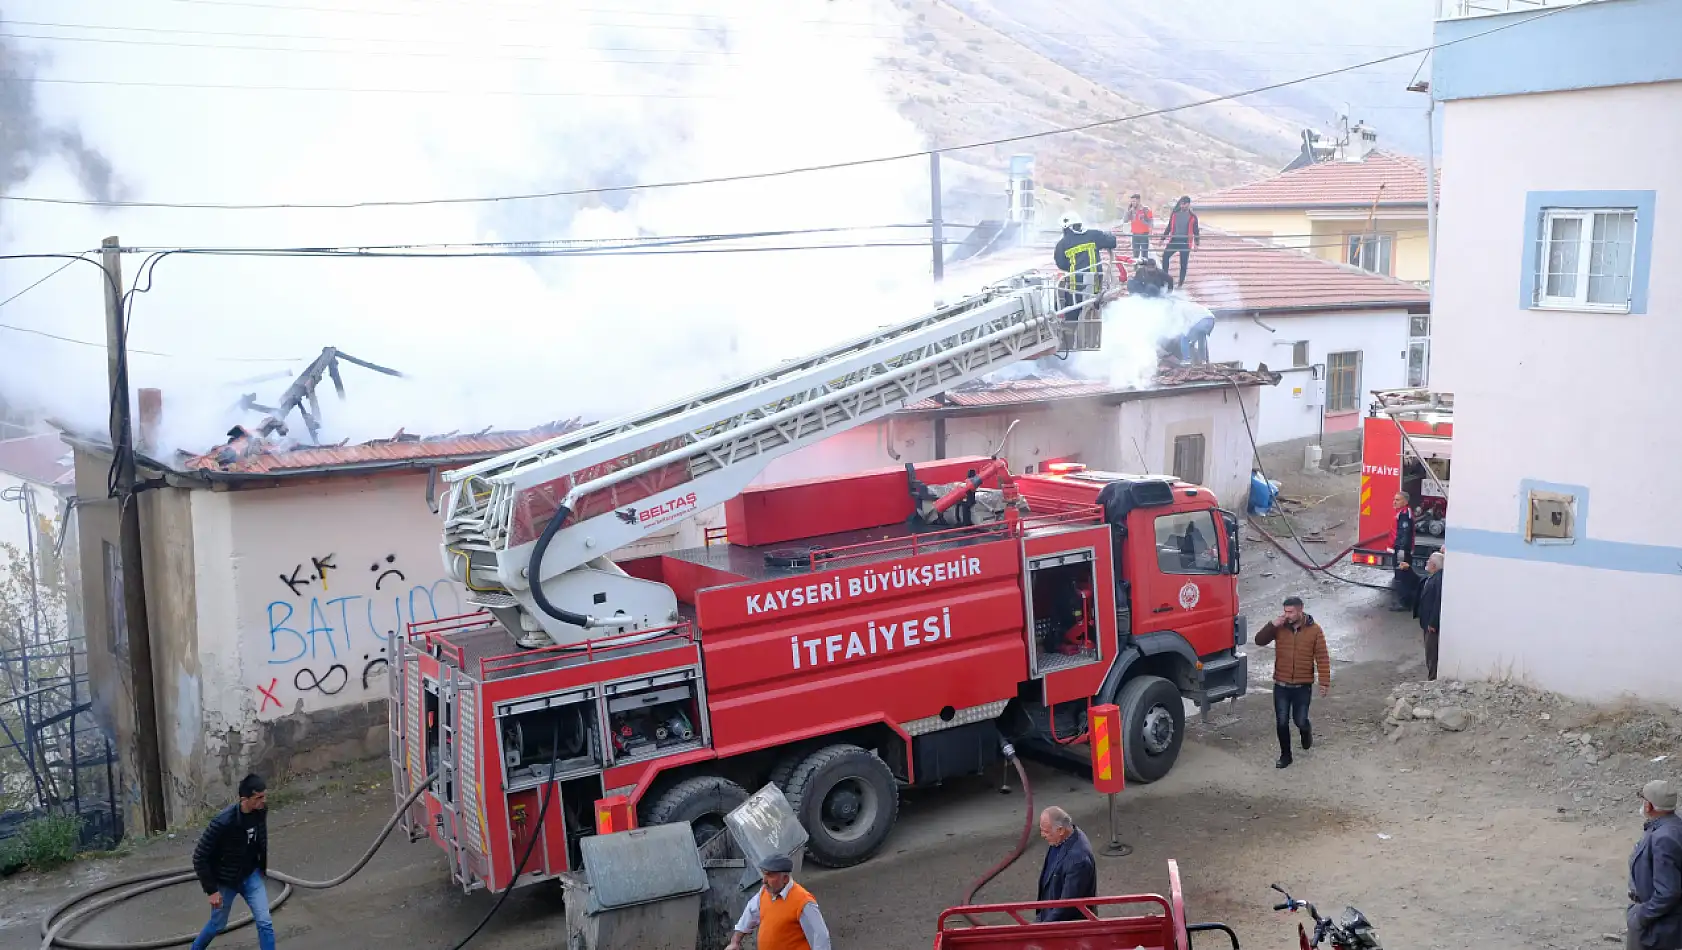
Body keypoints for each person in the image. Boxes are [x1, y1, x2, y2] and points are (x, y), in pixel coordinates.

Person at [190, 774, 273, 950]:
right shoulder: (223, 822)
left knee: (265, 922)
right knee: (217, 925)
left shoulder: (260, 812)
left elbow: (261, 839)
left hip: (251, 876)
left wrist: (260, 867)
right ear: (245, 799)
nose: (263, 801)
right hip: (226, 882)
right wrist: (211, 891)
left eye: (264, 796)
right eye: (259, 797)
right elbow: (199, 857)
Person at [1254, 597, 1330, 770]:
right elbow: (1259, 640)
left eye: (1290, 612)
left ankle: (1306, 730)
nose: (1287, 615)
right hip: (1281, 684)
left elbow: (1322, 657)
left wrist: (1324, 682)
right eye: (1285, 611)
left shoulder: (1315, 630)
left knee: (1300, 720)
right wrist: (1271, 625)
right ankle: (1285, 756)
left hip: (1303, 686)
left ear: (1300, 610)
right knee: (1281, 721)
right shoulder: (1279, 628)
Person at [728, 854, 832, 950]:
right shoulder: (765, 892)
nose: (764, 880)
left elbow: (821, 938)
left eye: (770, 875)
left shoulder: (804, 902)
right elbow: (750, 913)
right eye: (764, 874)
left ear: (785, 879)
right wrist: (735, 941)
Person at [1628, 780, 1682, 950]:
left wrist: (1641, 916)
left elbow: (1668, 891)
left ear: (1649, 806)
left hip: (1658, 930)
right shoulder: (1672, 827)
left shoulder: (1663, 838)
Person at [1035, 806, 1097, 923]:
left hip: (1064, 924)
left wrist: (1043, 927)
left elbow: (1068, 905)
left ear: (1061, 830)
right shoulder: (1060, 839)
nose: (1042, 835)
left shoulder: (1078, 859)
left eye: (1046, 831)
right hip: (1048, 913)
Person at [1053, 211, 1118, 319]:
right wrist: (1108, 234)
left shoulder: (1062, 244)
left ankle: (1073, 334)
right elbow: (1112, 242)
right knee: (1094, 316)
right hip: (1095, 287)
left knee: (1072, 319)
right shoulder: (1094, 235)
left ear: (1067, 228)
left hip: (1074, 289)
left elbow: (1061, 264)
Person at [1412, 550, 1444, 681]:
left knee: (1432, 654)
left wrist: (1433, 622)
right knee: (1429, 653)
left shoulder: (1438, 580)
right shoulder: (1432, 577)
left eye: (1429, 561)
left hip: (1431, 626)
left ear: (1435, 566)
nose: (1427, 563)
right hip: (1427, 623)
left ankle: (1432, 679)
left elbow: (1438, 602)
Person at [1160, 196, 1200, 288]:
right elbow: (1169, 227)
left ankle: (1180, 283)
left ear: (1188, 204)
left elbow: (1196, 231)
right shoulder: (1175, 214)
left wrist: (1196, 244)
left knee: (1183, 263)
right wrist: (1162, 239)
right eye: (1181, 204)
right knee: (1165, 256)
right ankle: (1165, 278)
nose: (1182, 206)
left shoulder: (1193, 217)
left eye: (1184, 204)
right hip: (1174, 240)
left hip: (1185, 242)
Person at [1390, 491, 1417, 612]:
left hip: (1401, 550)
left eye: (1398, 500)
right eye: (1394, 499)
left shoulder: (1405, 514)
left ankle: (1404, 603)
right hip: (1402, 549)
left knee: (1401, 576)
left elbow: (1404, 534)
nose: (1394, 502)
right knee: (1403, 575)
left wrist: (1400, 551)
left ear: (1405, 502)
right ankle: (1406, 600)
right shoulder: (1403, 512)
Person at [1123, 194, 1154, 264]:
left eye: (1134, 201)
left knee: (1144, 255)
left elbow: (1151, 222)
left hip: (1144, 234)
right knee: (1135, 255)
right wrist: (1128, 211)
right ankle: (1136, 271)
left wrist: (1145, 222)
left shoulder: (1146, 209)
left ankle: (1145, 271)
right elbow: (1125, 220)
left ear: (1139, 201)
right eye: (1132, 201)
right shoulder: (1131, 211)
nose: (1132, 203)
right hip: (1135, 234)